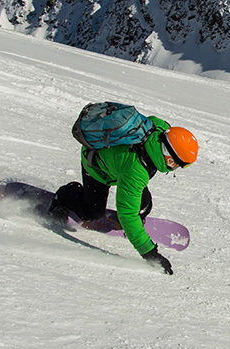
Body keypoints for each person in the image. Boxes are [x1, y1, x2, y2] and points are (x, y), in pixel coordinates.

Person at [48, 116, 198, 275]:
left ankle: (134, 227)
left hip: (116, 164)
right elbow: (127, 213)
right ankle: (65, 196)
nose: (175, 169)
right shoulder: (136, 171)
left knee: (144, 204)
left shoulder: (159, 129)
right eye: (178, 164)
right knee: (91, 213)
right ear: (169, 156)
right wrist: (150, 253)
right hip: (96, 167)